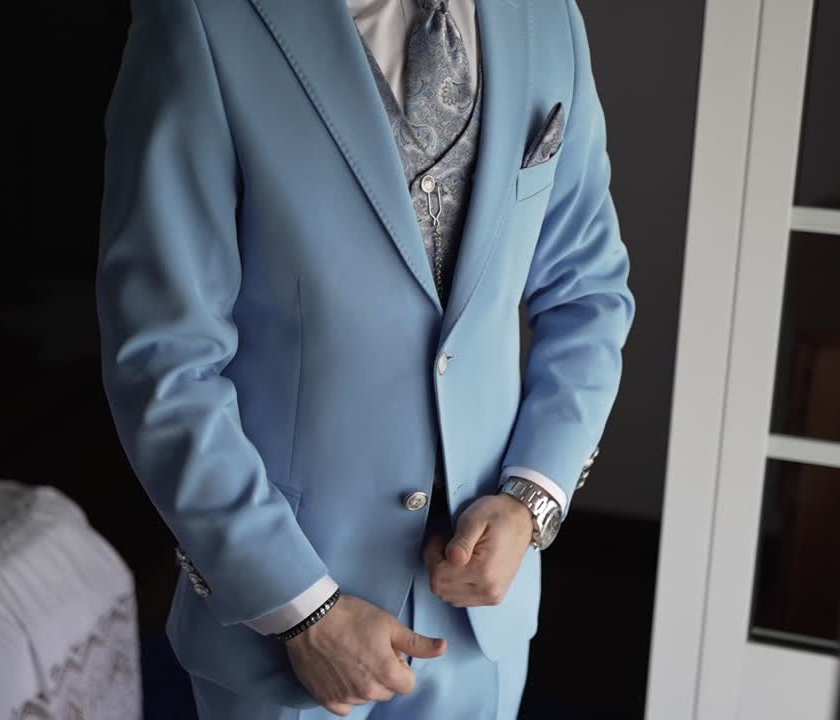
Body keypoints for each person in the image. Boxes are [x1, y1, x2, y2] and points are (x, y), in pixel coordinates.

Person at [96, 0, 634, 717]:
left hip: (480, 627)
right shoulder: (200, 18)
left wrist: (530, 498)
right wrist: (300, 608)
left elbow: (587, 293)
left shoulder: (546, 16)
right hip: (282, 637)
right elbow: (164, 357)